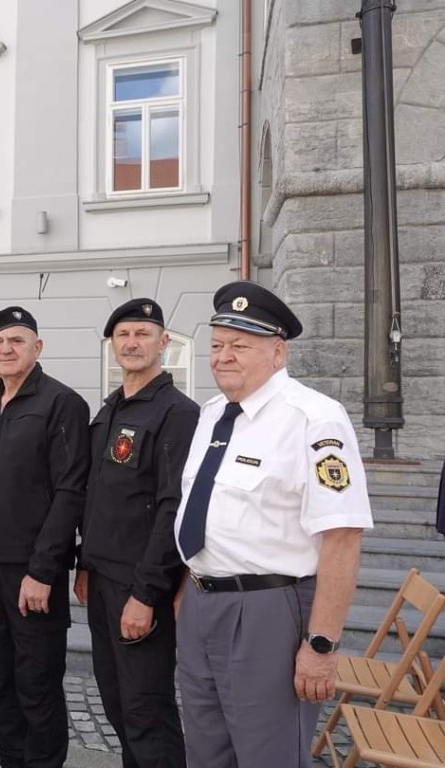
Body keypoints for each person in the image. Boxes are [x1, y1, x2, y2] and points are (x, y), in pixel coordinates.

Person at [173, 281, 373, 767]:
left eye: (240, 346)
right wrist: (186, 588)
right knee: (205, 752)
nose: (223, 357)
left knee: (269, 756)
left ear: (278, 352)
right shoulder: (212, 414)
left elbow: (342, 537)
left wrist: (321, 645)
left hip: (267, 611)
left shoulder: (315, 419)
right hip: (201, 603)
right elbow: (206, 511)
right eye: (217, 345)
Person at [0, 306, 90, 768]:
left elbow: (70, 491)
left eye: (16, 341)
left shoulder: (61, 403)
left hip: (29, 570)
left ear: (37, 347)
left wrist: (43, 571)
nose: (6, 349)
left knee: (37, 681)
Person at [74, 299, 198, 768]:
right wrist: (86, 563)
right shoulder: (111, 409)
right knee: (116, 700)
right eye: (123, 335)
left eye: (142, 334)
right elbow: (98, 496)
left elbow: (172, 508)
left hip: (140, 584)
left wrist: (146, 594)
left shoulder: (176, 413)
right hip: (103, 578)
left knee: (146, 707)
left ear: (163, 342)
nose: (131, 343)